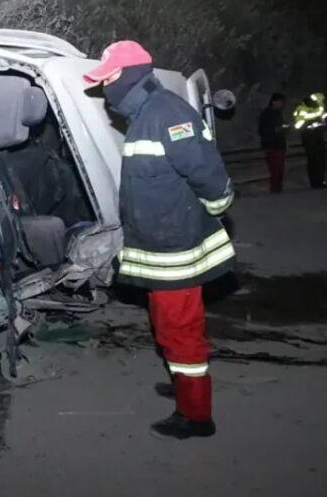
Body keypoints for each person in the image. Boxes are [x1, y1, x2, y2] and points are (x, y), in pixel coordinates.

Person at [83, 41, 236, 440]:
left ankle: (196, 415)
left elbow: (208, 174)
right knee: (168, 324)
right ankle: (183, 381)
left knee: (179, 329)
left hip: (175, 250)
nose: (105, 88)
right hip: (159, 246)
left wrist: (215, 207)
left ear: (133, 74)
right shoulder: (145, 114)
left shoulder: (166, 114)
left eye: (110, 77)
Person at [292, 93, 327, 188]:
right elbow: (297, 125)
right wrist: (311, 121)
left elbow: (324, 117)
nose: (320, 105)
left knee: (322, 159)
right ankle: (315, 182)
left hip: (319, 136)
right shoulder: (302, 109)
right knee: (313, 160)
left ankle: (321, 181)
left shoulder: (318, 107)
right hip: (309, 137)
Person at [258, 93, 288, 193]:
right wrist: (276, 129)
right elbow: (263, 130)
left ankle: (278, 187)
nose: (282, 104)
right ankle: (275, 188)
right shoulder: (267, 114)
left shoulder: (278, 113)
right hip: (272, 145)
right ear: (274, 102)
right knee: (275, 168)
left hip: (279, 144)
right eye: (280, 102)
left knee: (279, 168)